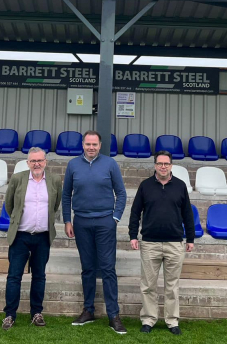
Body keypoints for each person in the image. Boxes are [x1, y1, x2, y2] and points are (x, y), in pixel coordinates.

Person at [62, 130, 128, 334]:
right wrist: (67, 220)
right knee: (88, 268)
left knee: (108, 269)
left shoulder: (110, 164)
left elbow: (122, 193)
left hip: (104, 223)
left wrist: (115, 217)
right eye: (88, 144)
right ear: (83, 144)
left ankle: (113, 315)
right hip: (81, 222)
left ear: (100, 145)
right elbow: (66, 195)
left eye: (95, 144)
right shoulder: (73, 165)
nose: (91, 148)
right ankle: (88, 310)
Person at [128, 150, 194, 335]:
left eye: (166, 163)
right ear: (155, 165)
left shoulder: (180, 186)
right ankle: (148, 319)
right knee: (148, 285)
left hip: (174, 243)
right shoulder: (145, 186)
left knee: (172, 286)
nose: (163, 167)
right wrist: (133, 235)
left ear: (171, 165)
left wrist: (190, 238)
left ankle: (172, 321)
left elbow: (187, 214)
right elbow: (135, 212)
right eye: (159, 164)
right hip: (150, 243)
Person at [1, 147, 62, 330]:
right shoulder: (17, 179)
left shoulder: (54, 180)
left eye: (40, 160)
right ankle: (10, 315)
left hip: (42, 237)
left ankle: (36, 313)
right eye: (33, 161)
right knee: (14, 277)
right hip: (20, 237)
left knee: (39, 276)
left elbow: (55, 205)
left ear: (46, 162)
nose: (37, 164)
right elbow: (10, 205)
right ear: (28, 163)